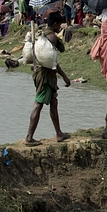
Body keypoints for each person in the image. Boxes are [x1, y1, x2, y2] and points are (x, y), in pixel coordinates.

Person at [25, 13, 72, 146]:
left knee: (53, 101)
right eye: (60, 24)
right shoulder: (52, 37)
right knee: (38, 104)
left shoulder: (42, 34)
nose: (61, 27)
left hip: (41, 73)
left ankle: (59, 133)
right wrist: (64, 76)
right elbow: (53, 61)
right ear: (56, 24)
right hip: (46, 75)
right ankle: (29, 137)